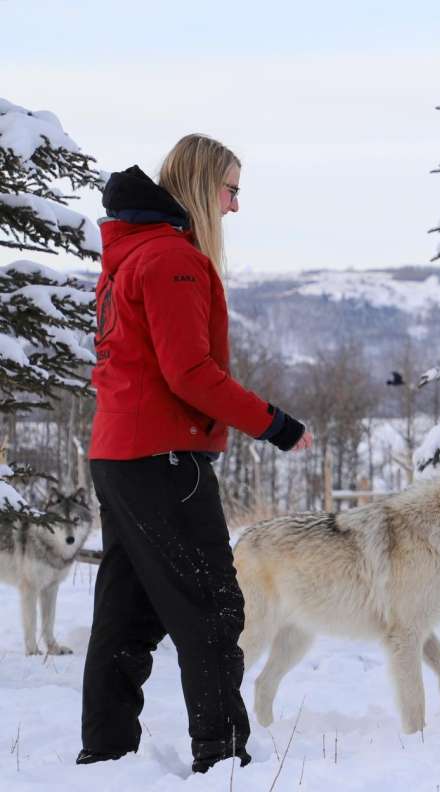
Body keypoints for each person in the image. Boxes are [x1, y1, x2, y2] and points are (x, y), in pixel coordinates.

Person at [82, 135, 313, 774]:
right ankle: (225, 760)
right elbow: (190, 373)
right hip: (163, 459)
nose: (235, 206)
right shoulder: (172, 259)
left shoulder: (129, 254)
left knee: (126, 614)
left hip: (119, 455)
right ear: (204, 186)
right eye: (231, 190)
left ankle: (104, 756)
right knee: (212, 609)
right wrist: (276, 425)